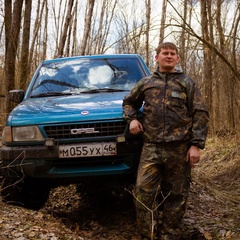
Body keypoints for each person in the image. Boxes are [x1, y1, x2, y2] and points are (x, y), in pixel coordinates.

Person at [122, 42, 209, 240]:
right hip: (151, 148)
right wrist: (133, 119)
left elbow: (201, 113)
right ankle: (149, 234)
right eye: (164, 53)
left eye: (172, 54)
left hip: (179, 149)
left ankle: (170, 234)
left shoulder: (187, 83)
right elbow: (128, 102)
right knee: (143, 192)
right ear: (157, 57)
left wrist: (195, 145)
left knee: (177, 196)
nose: (168, 56)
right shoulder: (146, 83)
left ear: (177, 58)